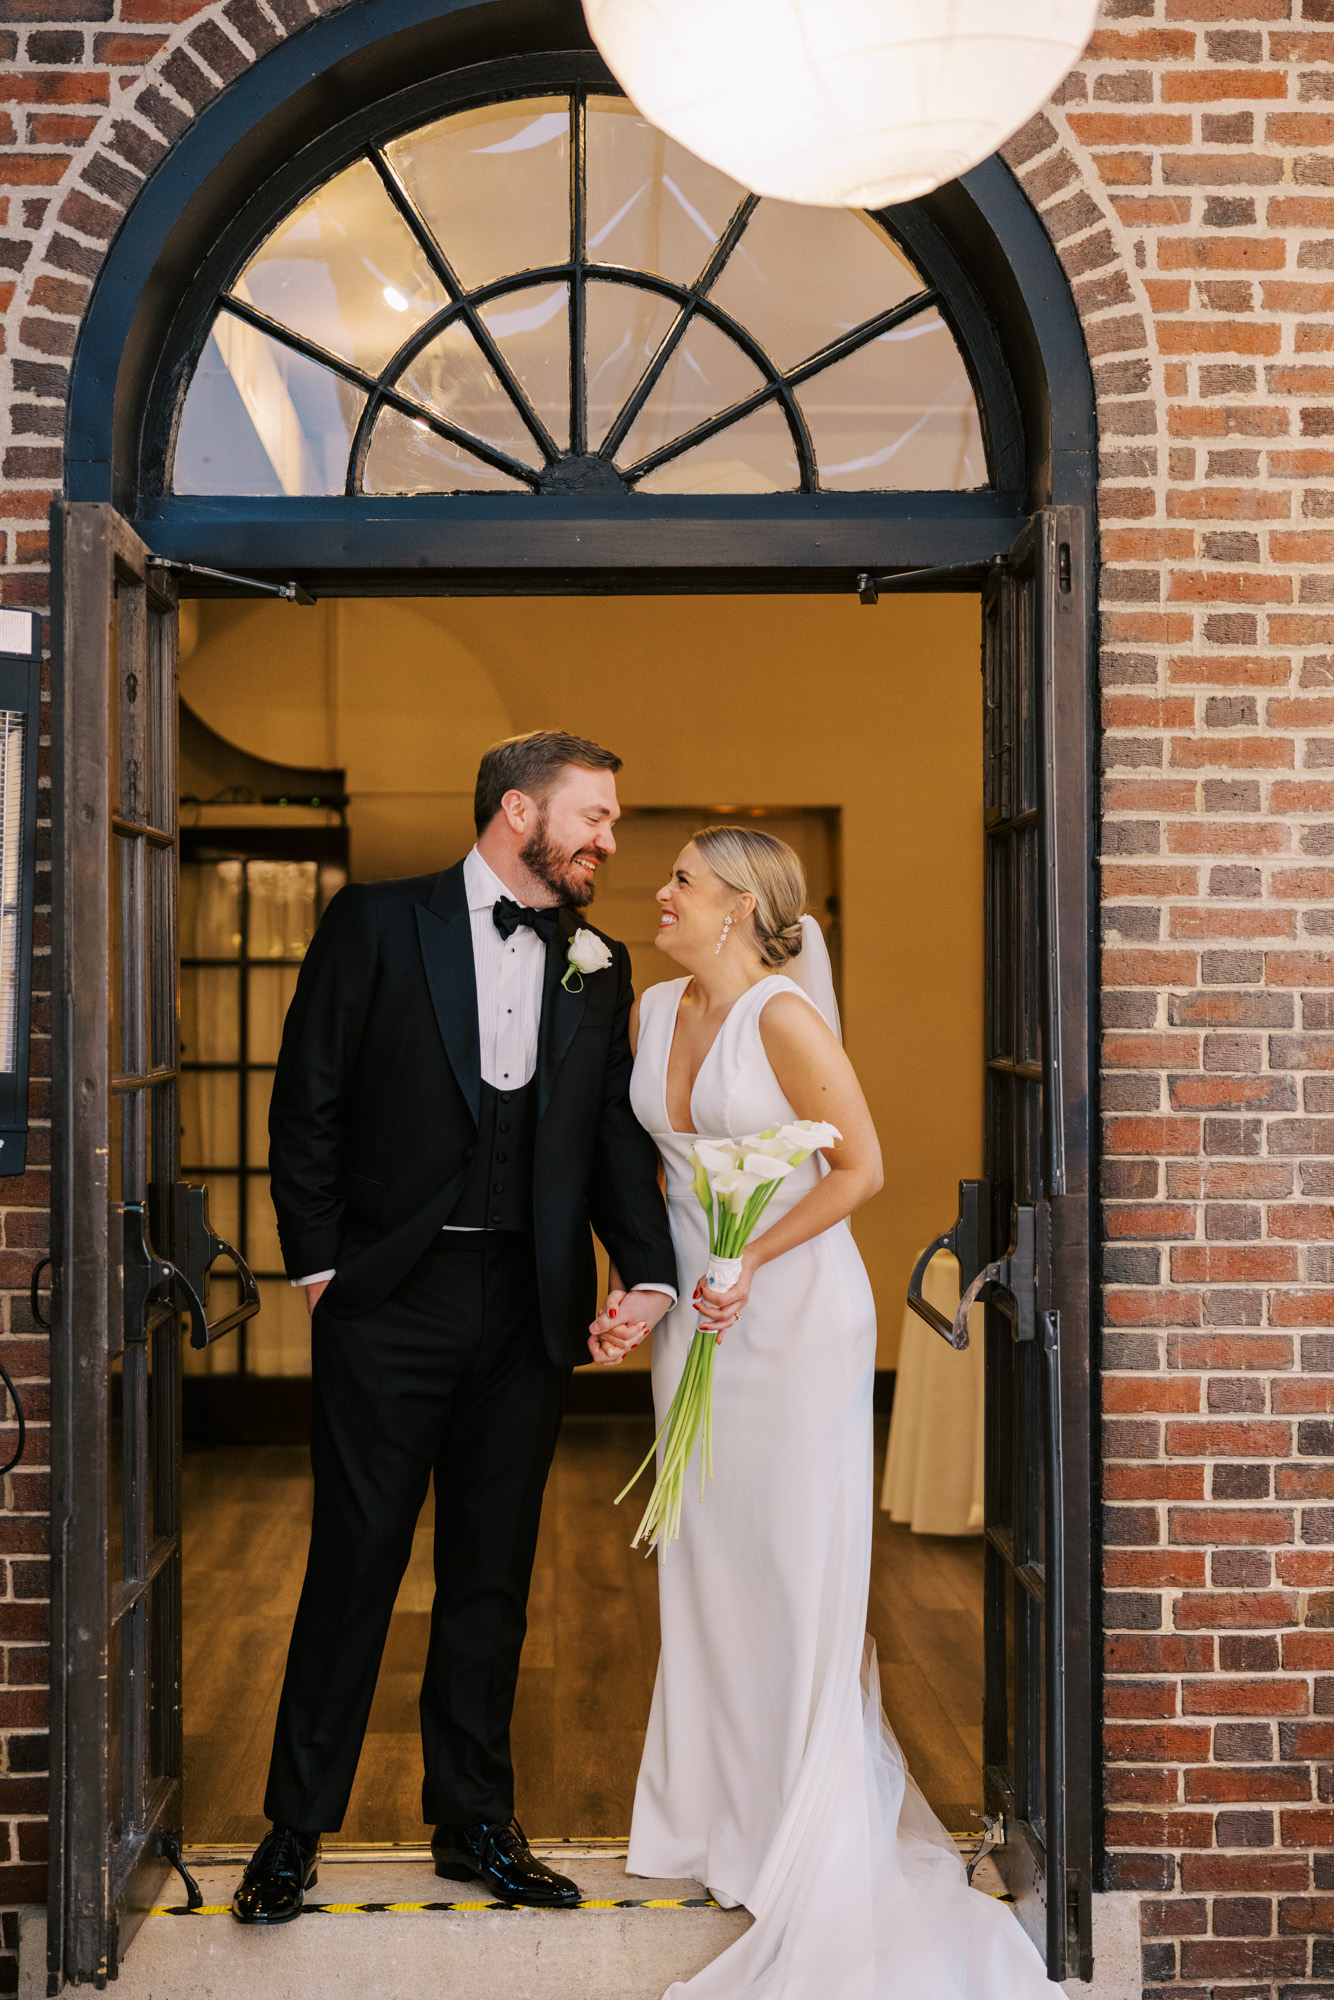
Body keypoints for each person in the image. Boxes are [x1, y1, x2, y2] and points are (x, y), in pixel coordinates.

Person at [588, 826, 1063, 1998]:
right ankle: (711, 1815)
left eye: (683, 880)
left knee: (792, 1563)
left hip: (791, 1310)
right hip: (699, 1312)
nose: (662, 890)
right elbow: (650, 1170)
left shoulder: (785, 1019)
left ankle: (795, 1827)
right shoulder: (648, 1011)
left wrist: (753, 1259)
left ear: (742, 906)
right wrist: (649, 1281)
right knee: (703, 1554)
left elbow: (859, 1168)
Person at [232, 730, 678, 1925]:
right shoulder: (377, 922)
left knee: (492, 1576)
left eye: (614, 820)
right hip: (388, 1303)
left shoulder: (599, 960)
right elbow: (305, 1101)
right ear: (517, 814)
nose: (608, 838)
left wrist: (645, 1267)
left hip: (524, 1310)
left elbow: (603, 1140)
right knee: (354, 1561)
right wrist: (324, 1272)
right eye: (594, 815)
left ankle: (474, 1820)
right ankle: (292, 1827)